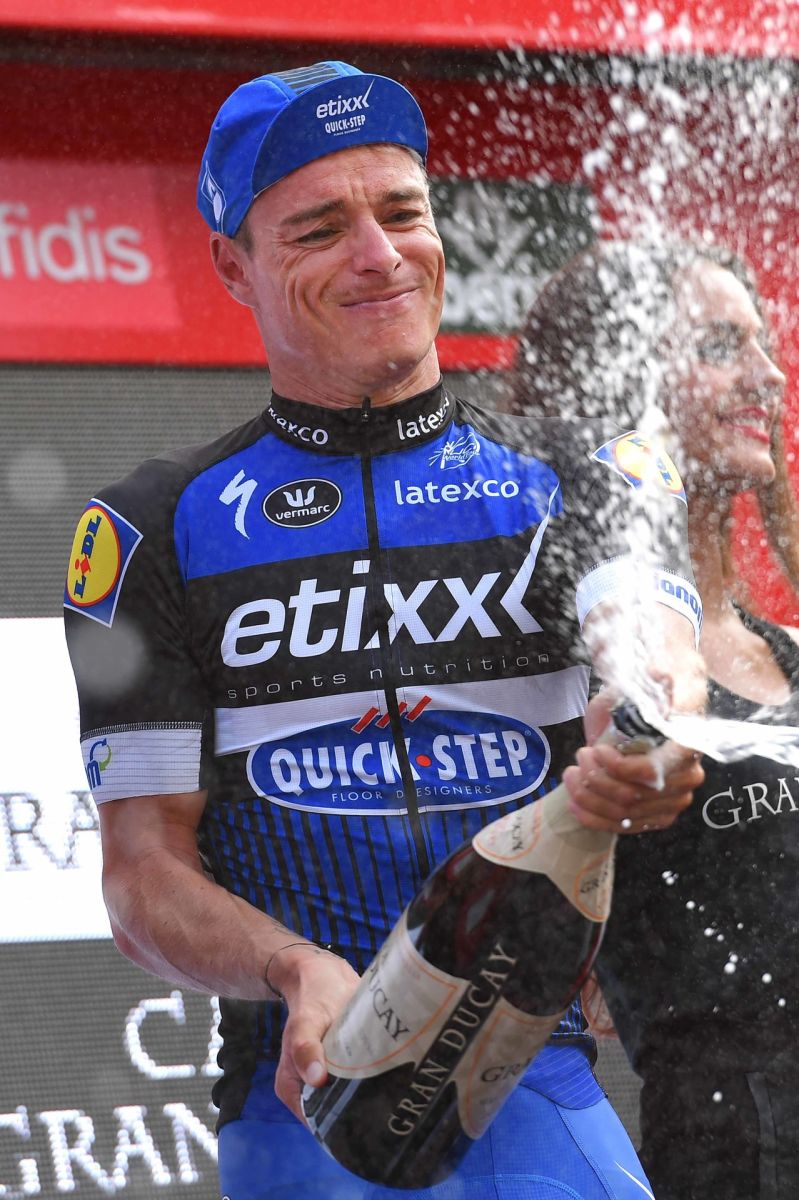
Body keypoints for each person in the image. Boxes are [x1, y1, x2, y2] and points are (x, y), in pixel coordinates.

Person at [63, 66, 705, 1200]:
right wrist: (290, 965)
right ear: (233, 267)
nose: (380, 255)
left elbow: (649, 635)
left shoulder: (580, 472)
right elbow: (140, 877)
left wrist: (645, 719)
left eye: (403, 213)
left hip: (535, 1081)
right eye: (320, 229)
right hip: (306, 1094)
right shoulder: (149, 527)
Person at [512, 238, 799, 1197]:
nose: (766, 376)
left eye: (762, 345)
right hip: (731, 1155)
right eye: (720, 347)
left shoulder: (787, 649)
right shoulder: (582, 675)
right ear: (616, 383)